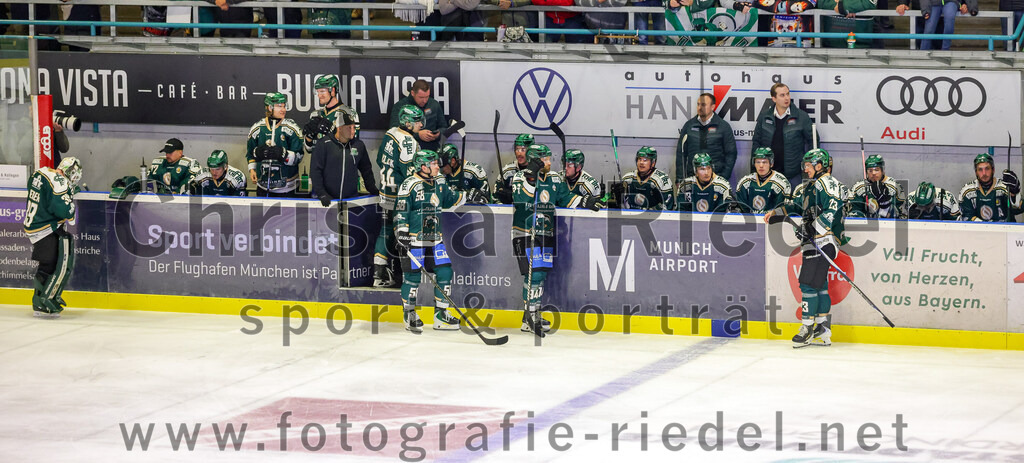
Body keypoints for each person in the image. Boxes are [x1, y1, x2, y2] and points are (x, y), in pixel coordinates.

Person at [511, 144, 603, 335]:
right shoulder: (520, 177)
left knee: (541, 275)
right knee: (533, 275)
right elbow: (522, 199)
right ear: (536, 160)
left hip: (546, 232)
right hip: (525, 232)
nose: (550, 162)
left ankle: (532, 315)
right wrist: (531, 177)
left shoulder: (553, 178)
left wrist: (586, 201)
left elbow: (566, 197)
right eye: (545, 159)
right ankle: (530, 315)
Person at [764, 149, 846, 348]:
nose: (805, 169)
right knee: (819, 284)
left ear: (819, 165)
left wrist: (811, 227)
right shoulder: (812, 186)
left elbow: (833, 208)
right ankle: (823, 329)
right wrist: (776, 212)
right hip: (815, 241)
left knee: (808, 283)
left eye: (809, 165)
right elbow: (797, 206)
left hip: (824, 240)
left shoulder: (828, 183)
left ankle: (807, 327)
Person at [395, 150, 468, 333]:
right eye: (434, 164)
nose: (438, 166)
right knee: (412, 277)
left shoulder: (440, 182)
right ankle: (409, 314)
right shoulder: (409, 185)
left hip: (435, 239)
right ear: (423, 166)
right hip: (414, 240)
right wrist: (402, 233)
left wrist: (468, 194)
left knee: (445, 271)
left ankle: (441, 315)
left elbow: (451, 199)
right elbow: (401, 211)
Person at [24, 157, 82, 318]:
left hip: (34, 224)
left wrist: (67, 192)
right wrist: (68, 197)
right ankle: (42, 302)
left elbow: (44, 193)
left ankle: (41, 300)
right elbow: (66, 213)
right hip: (44, 228)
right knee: (51, 264)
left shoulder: (41, 172)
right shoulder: (60, 183)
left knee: (48, 263)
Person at [375, 105, 424, 287]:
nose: (420, 124)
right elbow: (411, 172)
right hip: (400, 196)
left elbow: (380, 159)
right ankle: (405, 275)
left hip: (385, 191)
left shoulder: (391, 133)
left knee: (386, 231)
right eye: (416, 121)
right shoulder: (408, 141)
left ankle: (378, 274)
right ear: (406, 122)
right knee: (405, 234)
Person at [750, 83, 816, 187]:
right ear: (774, 99)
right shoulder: (764, 116)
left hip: (794, 174)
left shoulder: (801, 116)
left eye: (788, 94)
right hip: (769, 173)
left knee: (794, 202)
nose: (786, 98)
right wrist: (754, 169)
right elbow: (756, 142)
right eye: (782, 95)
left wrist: (809, 165)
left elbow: (813, 141)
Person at [310, 112, 379, 206]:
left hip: (351, 201)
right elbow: (315, 171)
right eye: (349, 128)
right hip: (329, 201)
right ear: (340, 128)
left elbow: (366, 169)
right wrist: (321, 193)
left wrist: (372, 188)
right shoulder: (324, 144)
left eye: (354, 127)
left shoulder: (358, 145)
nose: (353, 131)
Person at [246, 92, 304, 197]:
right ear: (269, 107)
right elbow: (250, 153)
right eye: (279, 106)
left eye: (284, 106)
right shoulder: (257, 128)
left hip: (287, 188)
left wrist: (284, 154)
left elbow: (299, 156)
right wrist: (252, 169)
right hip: (262, 187)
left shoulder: (292, 128)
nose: (284, 109)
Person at [677, 92, 738, 184]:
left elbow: (731, 154)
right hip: (693, 179)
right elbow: (681, 154)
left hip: (716, 178)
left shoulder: (723, 126)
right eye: (698, 104)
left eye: (703, 105)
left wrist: (723, 178)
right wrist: (680, 179)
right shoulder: (689, 126)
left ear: (713, 107)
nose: (700, 108)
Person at [304, 75, 360, 154]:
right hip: (318, 165)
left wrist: (333, 130)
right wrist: (308, 137)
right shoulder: (315, 114)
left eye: (322, 91)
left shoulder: (349, 113)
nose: (319, 95)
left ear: (333, 91)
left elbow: (354, 147)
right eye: (318, 91)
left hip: (337, 164)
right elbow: (309, 150)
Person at [959, 153, 1022, 222]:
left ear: (993, 170)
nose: (984, 173)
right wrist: (988, 228)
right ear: (976, 172)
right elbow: (966, 217)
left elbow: (1018, 209)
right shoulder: (967, 191)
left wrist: (1014, 193)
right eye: (980, 169)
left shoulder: (1004, 188)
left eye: (987, 169)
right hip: (979, 232)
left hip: (1004, 231)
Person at [388, 80, 447, 151]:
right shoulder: (400, 106)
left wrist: (438, 134)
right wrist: (417, 135)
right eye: (421, 97)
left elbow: (443, 127)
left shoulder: (434, 104)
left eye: (427, 97)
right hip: (408, 150)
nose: (425, 100)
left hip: (431, 150)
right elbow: (394, 130)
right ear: (412, 93)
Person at [847, 154, 906, 219]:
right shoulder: (859, 188)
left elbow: (901, 214)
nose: (873, 173)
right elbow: (854, 211)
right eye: (870, 170)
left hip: (889, 226)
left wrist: (885, 202)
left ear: (882, 170)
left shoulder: (894, 186)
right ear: (866, 172)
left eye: (877, 170)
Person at [735, 147, 791, 214]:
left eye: (764, 162)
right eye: (758, 162)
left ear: (771, 164)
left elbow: (782, 210)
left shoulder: (782, 184)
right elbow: (741, 210)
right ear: (754, 164)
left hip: (772, 222)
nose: (761, 166)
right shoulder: (745, 183)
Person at [620, 146, 675, 211]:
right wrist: (618, 198)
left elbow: (667, 207)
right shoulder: (627, 178)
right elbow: (620, 206)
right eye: (639, 159)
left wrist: (647, 212)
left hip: (656, 220)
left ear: (653, 163)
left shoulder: (662, 180)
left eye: (645, 160)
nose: (641, 162)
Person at [494, 133, 534, 204]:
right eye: (517, 149)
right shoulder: (507, 171)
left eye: (523, 150)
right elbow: (494, 198)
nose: (519, 153)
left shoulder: (539, 172)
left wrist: (512, 197)